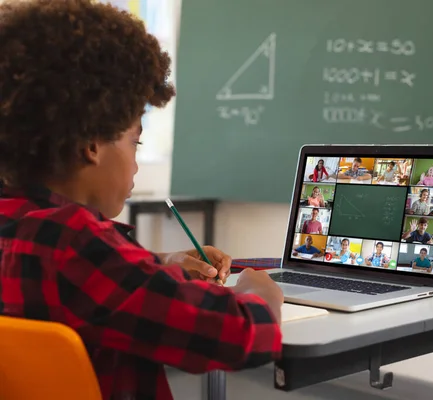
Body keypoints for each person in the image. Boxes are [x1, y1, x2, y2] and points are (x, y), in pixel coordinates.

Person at [0, 1, 283, 399]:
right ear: (91, 144)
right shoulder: (75, 243)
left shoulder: (23, 224)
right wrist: (261, 294)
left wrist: (160, 262)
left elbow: (97, 279)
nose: (135, 162)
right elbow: (239, 336)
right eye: (136, 140)